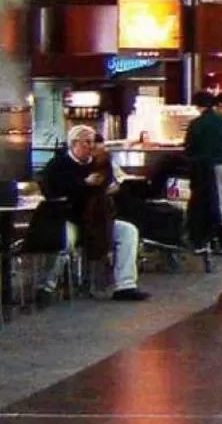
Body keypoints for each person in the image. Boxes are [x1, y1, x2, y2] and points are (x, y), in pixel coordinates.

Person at [27, 125, 149, 303]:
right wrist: (83, 183)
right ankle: (47, 285)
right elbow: (52, 192)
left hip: (97, 218)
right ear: (74, 143)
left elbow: (108, 185)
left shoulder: (98, 164)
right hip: (69, 217)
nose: (91, 147)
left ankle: (125, 285)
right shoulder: (57, 165)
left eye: (93, 142)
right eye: (87, 142)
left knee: (128, 231)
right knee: (63, 238)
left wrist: (110, 188)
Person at [183, 90, 222, 249]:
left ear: (198, 106)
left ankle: (202, 234)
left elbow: (188, 147)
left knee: (202, 199)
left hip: (200, 166)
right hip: (221, 162)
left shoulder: (195, 124)